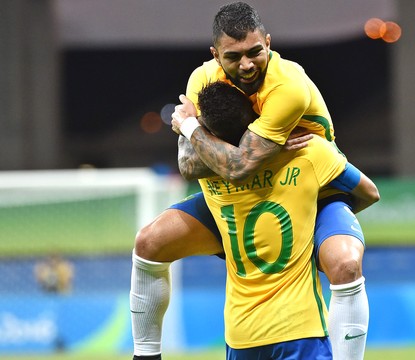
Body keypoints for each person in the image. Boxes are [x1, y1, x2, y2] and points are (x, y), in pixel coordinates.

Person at [131, 3, 373, 359]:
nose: (246, 65)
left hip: (312, 191)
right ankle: (145, 355)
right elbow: (188, 164)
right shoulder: (203, 81)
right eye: (233, 56)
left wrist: (192, 128)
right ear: (215, 55)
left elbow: (238, 165)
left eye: (254, 52)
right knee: (150, 242)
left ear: (269, 44)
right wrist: (250, 147)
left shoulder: (288, 86)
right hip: (239, 195)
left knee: (344, 263)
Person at [189, 81, 378, 358]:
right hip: (300, 329)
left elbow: (204, 159)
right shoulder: (308, 152)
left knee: (148, 245)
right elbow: (370, 192)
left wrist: (188, 126)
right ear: (255, 116)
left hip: (242, 335)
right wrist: (317, 227)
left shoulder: (210, 176)